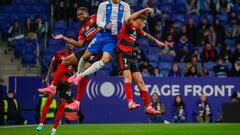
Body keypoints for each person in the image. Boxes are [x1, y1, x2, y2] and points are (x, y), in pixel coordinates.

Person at [38, 7, 100, 111]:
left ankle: (77, 101)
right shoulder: (82, 29)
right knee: (65, 61)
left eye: (81, 13)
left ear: (87, 12)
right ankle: (53, 87)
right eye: (78, 15)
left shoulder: (95, 17)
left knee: (83, 73)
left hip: (99, 48)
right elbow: (79, 44)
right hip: (89, 49)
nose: (79, 16)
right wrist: (63, 37)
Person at [115, 8, 167, 115]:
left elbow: (147, 35)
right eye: (143, 23)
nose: (144, 25)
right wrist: (143, 10)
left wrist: (157, 41)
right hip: (121, 53)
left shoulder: (137, 30)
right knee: (128, 78)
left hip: (129, 56)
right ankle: (130, 102)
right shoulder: (128, 24)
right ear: (138, 20)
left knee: (141, 82)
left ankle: (148, 107)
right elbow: (130, 18)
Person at [69, 0, 131, 86]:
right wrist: (105, 25)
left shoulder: (126, 6)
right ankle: (76, 74)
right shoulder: (103, 5)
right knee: (85, 56)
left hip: (113, 38)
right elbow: (98, 22)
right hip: (101, 35)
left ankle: (80, 75)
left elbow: (127, 22)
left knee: (105, 60)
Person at [36, 43, 76, 135]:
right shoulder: (58, 53)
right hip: (56, 81)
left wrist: (75, 78)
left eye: (72, 44)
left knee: (61, 105)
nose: (71, 46)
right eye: (70, 44)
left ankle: (54, 129)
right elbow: (51, 65)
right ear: (66, 45)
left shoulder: (75, 56)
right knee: (49, 100)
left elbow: (77, 69)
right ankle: (41, 123)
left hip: (66, 84)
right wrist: (47, 76)